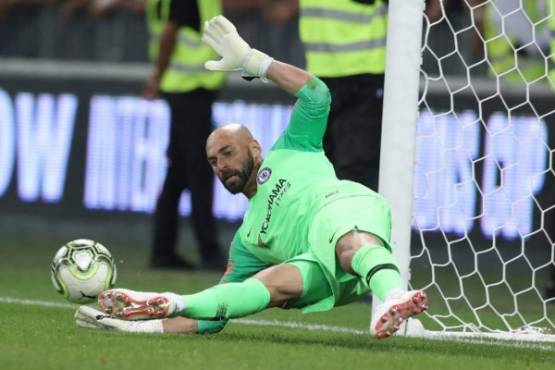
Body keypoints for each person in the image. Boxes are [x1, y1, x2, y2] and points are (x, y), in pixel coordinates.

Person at [75, 15, 428, 339]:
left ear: (255, 149)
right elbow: (216, 313)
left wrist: (252, 61)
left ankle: (395, 296)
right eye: (213, 161)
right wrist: (138, 328)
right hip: (324, 272)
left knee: (345, 240)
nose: (220, 165)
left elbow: (317, 95)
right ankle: (166, 304)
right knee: (263, 287)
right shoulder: (247, 240)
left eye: (227, 153)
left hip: (344, 210)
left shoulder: (293, 148)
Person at [145, 0, 226, 270]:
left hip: (186, 88)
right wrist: (157, 76)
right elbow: (169, 33)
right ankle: (209, 251)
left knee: (178, 171)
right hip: (190, 88)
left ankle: (162, 250)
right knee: (201, 170)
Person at [297, 0, 388, 191]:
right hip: (319, 72)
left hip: (364, 71)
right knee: (318, 172)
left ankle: (357, 221)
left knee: (356, 174)